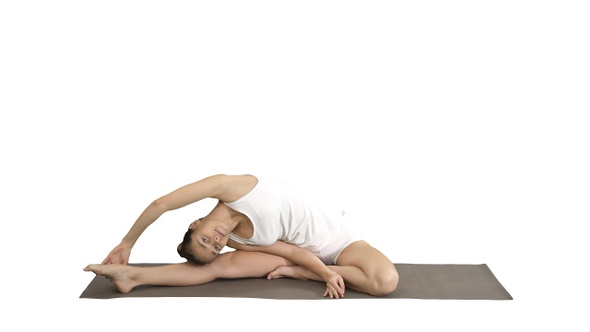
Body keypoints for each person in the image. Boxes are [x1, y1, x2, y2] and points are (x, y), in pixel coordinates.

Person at [84, 173, 398, 298]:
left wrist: (127, 242)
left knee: (385, 281)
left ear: (195, 223)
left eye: (207, 239)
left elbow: (161, 204)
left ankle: (301, 276)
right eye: (216, 246)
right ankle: (133, 277)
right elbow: (291, 251)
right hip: (300, 255)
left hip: (340, 238)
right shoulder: (236, 241)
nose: (217, 241)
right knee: (221, 267)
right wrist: (326, 273)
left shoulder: (231, 187)